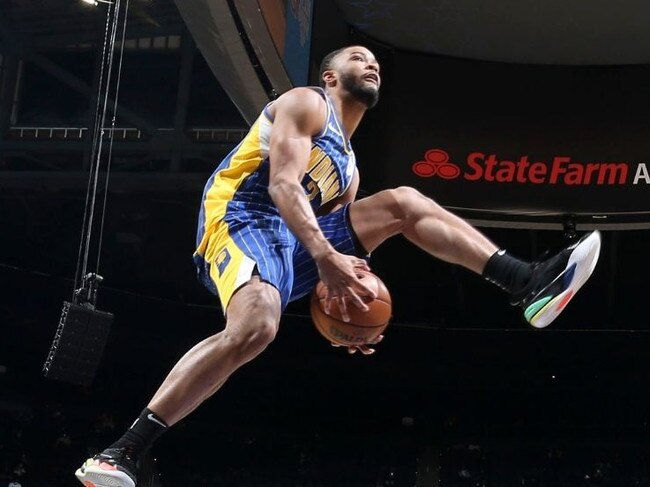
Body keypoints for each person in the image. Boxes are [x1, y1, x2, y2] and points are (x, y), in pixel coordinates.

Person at [75, 45, 601, 486]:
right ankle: (122, 451)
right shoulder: (306, 103)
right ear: (331, 76)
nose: (371, 65)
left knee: (400, 202)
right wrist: (325, 258)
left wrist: (344, 300)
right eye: (358, 57)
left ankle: (523, 281)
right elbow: (283, 187)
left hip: (290, 239)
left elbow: (327, 252)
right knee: (258, 323)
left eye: (376, 63)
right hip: (242, 215)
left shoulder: (347, 168)